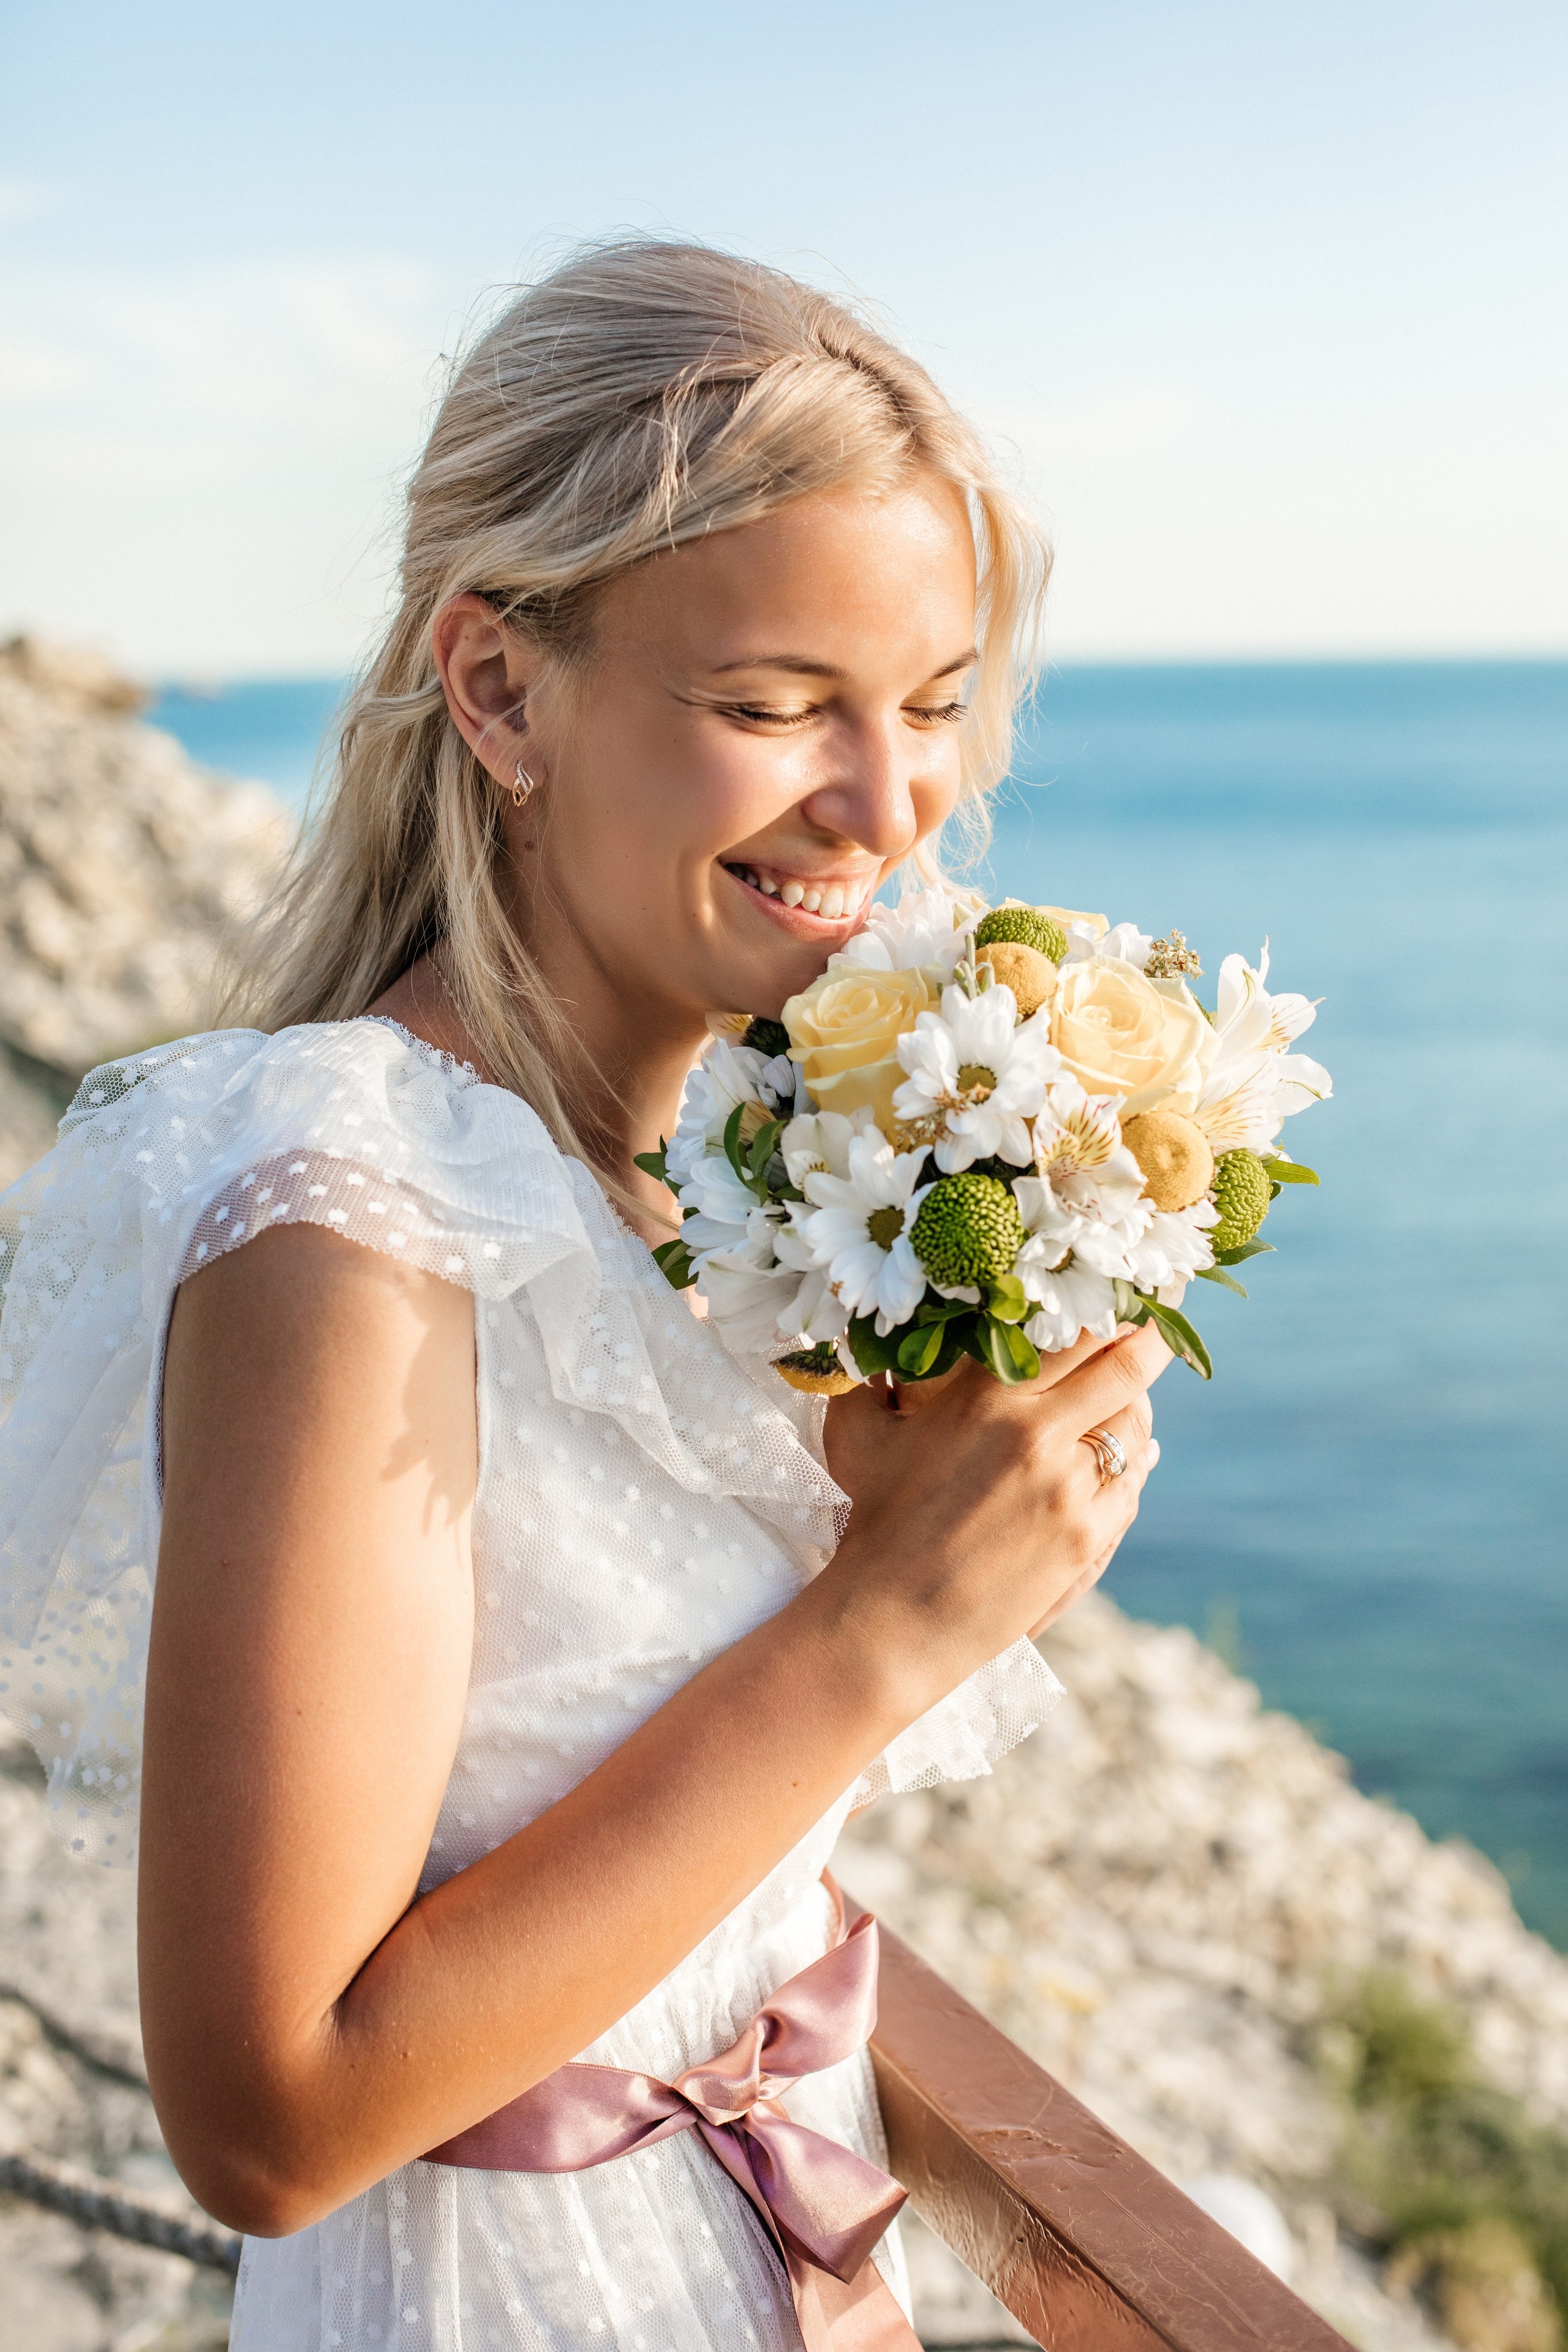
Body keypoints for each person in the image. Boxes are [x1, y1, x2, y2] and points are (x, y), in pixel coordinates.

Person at [0, 239, 1167, 2351]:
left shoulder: (718, 1188)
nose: (884, 807)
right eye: (771, 703)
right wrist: (884, 1628)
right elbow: (268, 2112)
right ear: (500, 687)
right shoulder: (352, 1218)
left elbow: (689, 1880)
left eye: (925, 705)